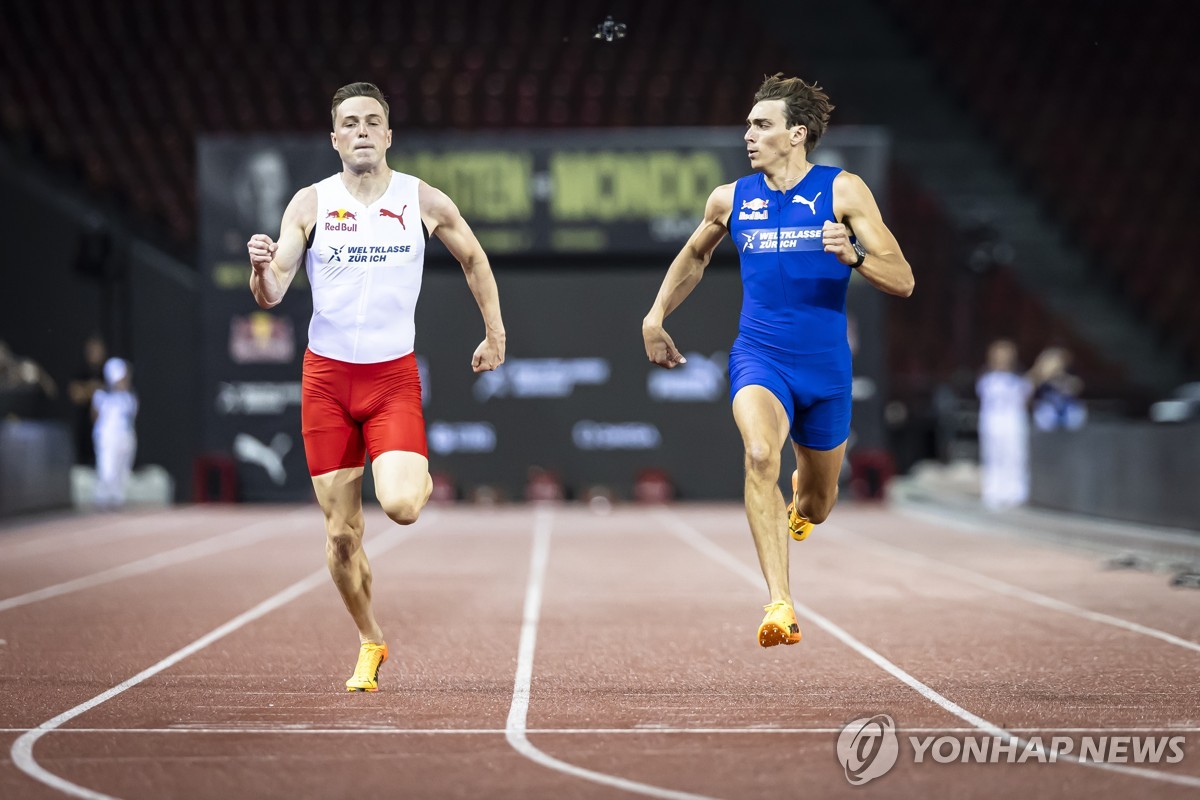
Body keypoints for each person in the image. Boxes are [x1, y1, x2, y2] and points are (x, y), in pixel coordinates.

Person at [246, 82, 506, 692]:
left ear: (388, 135)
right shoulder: (309, 204)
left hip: (390, 379)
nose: (361, 131)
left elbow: (475, 259)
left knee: (403, 506)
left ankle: (415, 474)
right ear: (334, 138)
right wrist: (260, 269)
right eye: (349, 123)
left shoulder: (422, 199)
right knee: (341, 537)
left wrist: (494, 333)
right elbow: (275, 289)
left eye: (372, 122)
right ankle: (370, 639)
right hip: (327, 381)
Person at [641, 74, 913, 648]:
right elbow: (693, 256)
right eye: (747, 125)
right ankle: (779, 603)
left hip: (826, 369)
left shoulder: (843, 191)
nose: (748, 135)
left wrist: (856, 254)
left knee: (817, 503)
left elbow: (904, 280)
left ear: (796, 134)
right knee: (759, 453)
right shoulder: (731, 198)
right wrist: (655, 315)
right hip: (759, 357)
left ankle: (803, 501)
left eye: (760, 125)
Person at [974, 339, 1032, 511]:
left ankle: (1016, 492)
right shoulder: (987, 379)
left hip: (1013, 423)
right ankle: (993, 491)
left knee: (1015, 457)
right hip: (992, 423)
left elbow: (1026, 393)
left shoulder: (1018, 378)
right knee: (993, 456)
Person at [91, 357, 139, 509]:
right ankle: (103, 499)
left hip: (125, 436)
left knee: (122, 471)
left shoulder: (129, 397)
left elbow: (132, 416)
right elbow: (95, 417)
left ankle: (117, 500)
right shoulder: (101, 396)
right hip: (108, 437)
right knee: (107, 470)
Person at [68, 333, 108, 466]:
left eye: (97, 350)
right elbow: (75, 394)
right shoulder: (82, 372)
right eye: (91, 350)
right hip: (85, 430)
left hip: (107, 430)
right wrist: (94, 389)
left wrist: (91, 390)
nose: (94, 353)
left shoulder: (108, 372)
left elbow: (117, 393)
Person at [1028, 346, 1087, 432]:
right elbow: (1026, 387)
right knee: (1046, 412)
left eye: (1056, 362)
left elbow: (1076, 387)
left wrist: (1056, 375)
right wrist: (1039, 372)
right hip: (1046, 417)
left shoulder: (1070, 378)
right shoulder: (1036, 378)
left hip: (1068, 415)